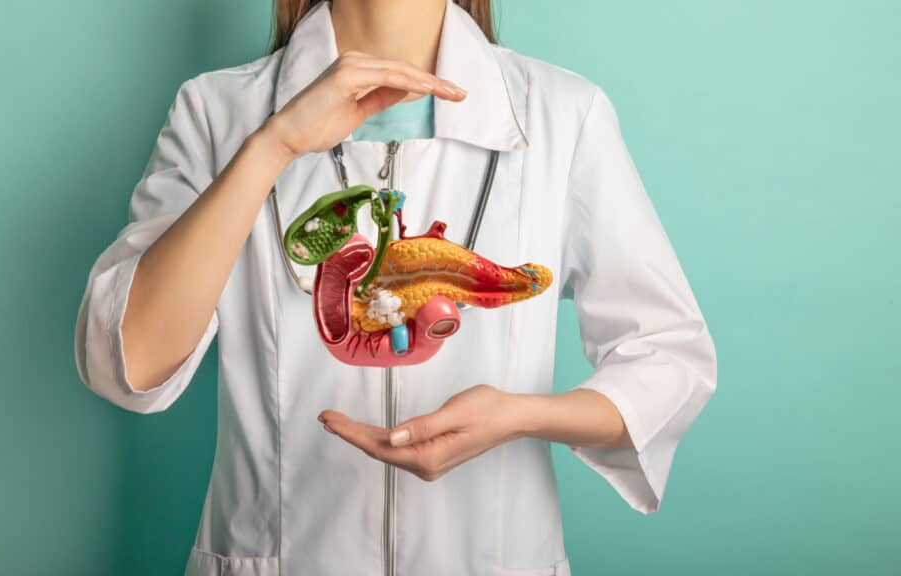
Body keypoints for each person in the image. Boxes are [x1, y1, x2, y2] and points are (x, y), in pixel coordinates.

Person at [73, 1, 717, 574]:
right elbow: (126, 365)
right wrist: (274, 144)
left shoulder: (562, 115)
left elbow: (670, 357)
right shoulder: (219, 113)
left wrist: (519, 416)